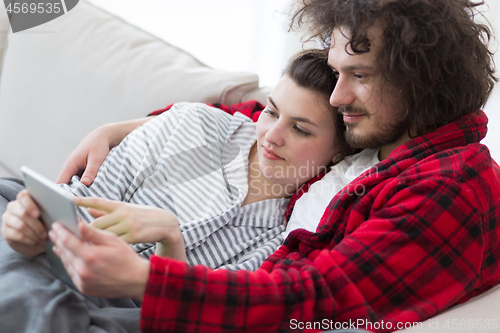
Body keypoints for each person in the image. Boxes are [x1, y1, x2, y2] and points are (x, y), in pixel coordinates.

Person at [4, 0, 500, 332]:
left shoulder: (447, 188)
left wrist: (146, 279)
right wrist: (126, 128)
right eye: (339, 72)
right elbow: (269, 118)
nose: (340, 94)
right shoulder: (381, 132)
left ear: (420, 81)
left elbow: (320, 303)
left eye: (360, 76)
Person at [2, 49, 355, 273]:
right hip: (50, 243)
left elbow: (195, 307)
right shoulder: (195, 125)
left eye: (300, 130)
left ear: (338, 152)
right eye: (271, 112)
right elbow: (79, 201)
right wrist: (33, 221)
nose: (272, 136)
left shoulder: (284, 237)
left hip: (108, 301)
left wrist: (170, 241)